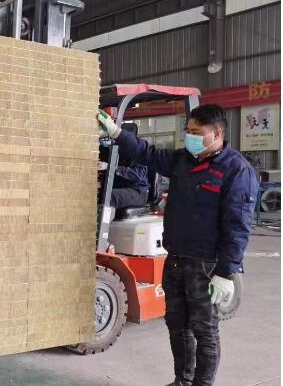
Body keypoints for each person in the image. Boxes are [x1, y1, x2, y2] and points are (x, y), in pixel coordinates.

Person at [98, 105, 258, 386]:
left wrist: (226, 272)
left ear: (217, 133)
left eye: (196, 132)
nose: (190, 137)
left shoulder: (236, 171)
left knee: (204, 330)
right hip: (175, 259)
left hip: (206, 265)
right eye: (188, 131)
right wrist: (115, 132)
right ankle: (182, 381)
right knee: (177, 325)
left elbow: (238, 228)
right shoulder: (184, 160)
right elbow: (148, 154)